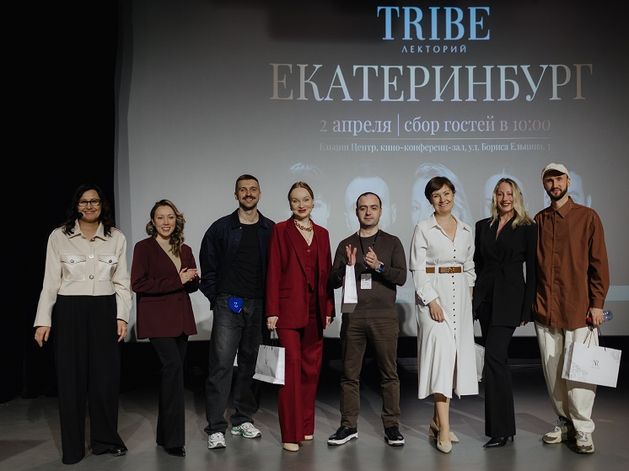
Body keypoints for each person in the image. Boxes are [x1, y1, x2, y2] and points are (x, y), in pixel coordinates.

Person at [33, 183, 131, 464]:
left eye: (95, 201)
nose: (90, 206)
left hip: (104, 310)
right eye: (84, 202)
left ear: (102, 205)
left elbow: (122, 282)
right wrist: (43, 320)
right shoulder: (59, 236)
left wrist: (122, 316)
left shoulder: (116, 237)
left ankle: (105, 441)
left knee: (105, 379)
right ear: (76, 206)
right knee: (70, 379)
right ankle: (73, 448)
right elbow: (50, 281)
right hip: (69, 311)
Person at [533, 163, 609, 454]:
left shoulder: (587, 217)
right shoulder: (539, 220)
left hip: (579, 309)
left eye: (559, 179)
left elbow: (599, 263)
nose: (554, 184)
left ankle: (583, 428)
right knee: (553, 372)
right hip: (546, 308)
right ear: (544, 185)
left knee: (581, 372)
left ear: (567, 181)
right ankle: (565, 422)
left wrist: (597, 304)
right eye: (549, 180)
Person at [199, 174, 275, 449]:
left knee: (251, 365)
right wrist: (217, 298)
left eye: (253, 189)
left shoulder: (271, 229)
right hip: (229, 304)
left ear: (260, 194)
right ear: (236, 195)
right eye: (243, 190)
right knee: (221, 365)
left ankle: (243, 419)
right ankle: (215, 427)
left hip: (260, 305)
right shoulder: (220, 228)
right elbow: (208, 268)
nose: (248, 193)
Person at [327, 192, 407, 447]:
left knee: (389, 374)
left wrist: (379, 267)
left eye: (373, 208)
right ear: (356, 211)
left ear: (381, 211)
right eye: (363, 208)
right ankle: (348, 425)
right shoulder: (346, 244)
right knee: (349, 374)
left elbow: (402, 277)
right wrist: (347, 267)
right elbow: (332, 280)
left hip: (384, 317)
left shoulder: (392, 242)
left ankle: (392, 426)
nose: (368, 212)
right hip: (353, 316)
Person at [409, 176, 478, 454]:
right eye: (436, 195)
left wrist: (468, 292)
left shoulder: (466, 229)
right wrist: (431, 300)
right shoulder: (423, 228)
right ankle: (446, 430)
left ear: (454, 195)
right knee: (441, 358)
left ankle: (436, 422)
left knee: (452, 361)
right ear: (430, 200)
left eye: (447, 193)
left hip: (459, 298)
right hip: (433, 299)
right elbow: (418, 268)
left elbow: (469, 266)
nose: (443, 199)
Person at [266, 181, 335, 452]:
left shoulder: (323, 234)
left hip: (315, 309)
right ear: (290, 204)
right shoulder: (280, 230)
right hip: (287, 310)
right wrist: (272, 310)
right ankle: (289, 433)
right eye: (295, 200)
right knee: (291, 368)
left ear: (313, 202)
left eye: (305, 199)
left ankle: (306, 427)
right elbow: (273, 269)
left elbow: (327, 273)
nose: (301, 204)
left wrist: (328, 307)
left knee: (310, 370)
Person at [130, 199, 199, 457]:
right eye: (160, 217)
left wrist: (192, 279)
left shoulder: (185, 248)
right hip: (157, 321)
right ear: (153, 221)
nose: (166, 222)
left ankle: (163, 434)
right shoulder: (144, 248)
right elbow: (138, 283)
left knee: (171, 376)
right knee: (174, 370)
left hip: (180, 321)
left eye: (170, 217)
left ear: (176, 220)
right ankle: (174, 440)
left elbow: (191, 287)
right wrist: (177, 279)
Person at [473, 178, 537, 448]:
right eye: (500, 194)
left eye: (509, 194)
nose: (505, 198)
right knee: (497, 361)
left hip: (511, 300)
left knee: (494, 357)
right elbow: (477, 266)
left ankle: (500, 430)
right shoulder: (482, 226)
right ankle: (505, 428)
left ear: (516, 196)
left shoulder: (528, 227)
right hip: (485, 301)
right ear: (495, 197)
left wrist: (527, 308)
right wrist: (473, 303)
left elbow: (532, 270)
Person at [411, 163, 473, 228]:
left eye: (446, 194)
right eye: (416, 208)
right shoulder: (421, 229)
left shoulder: (466, 230)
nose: (420, 218)